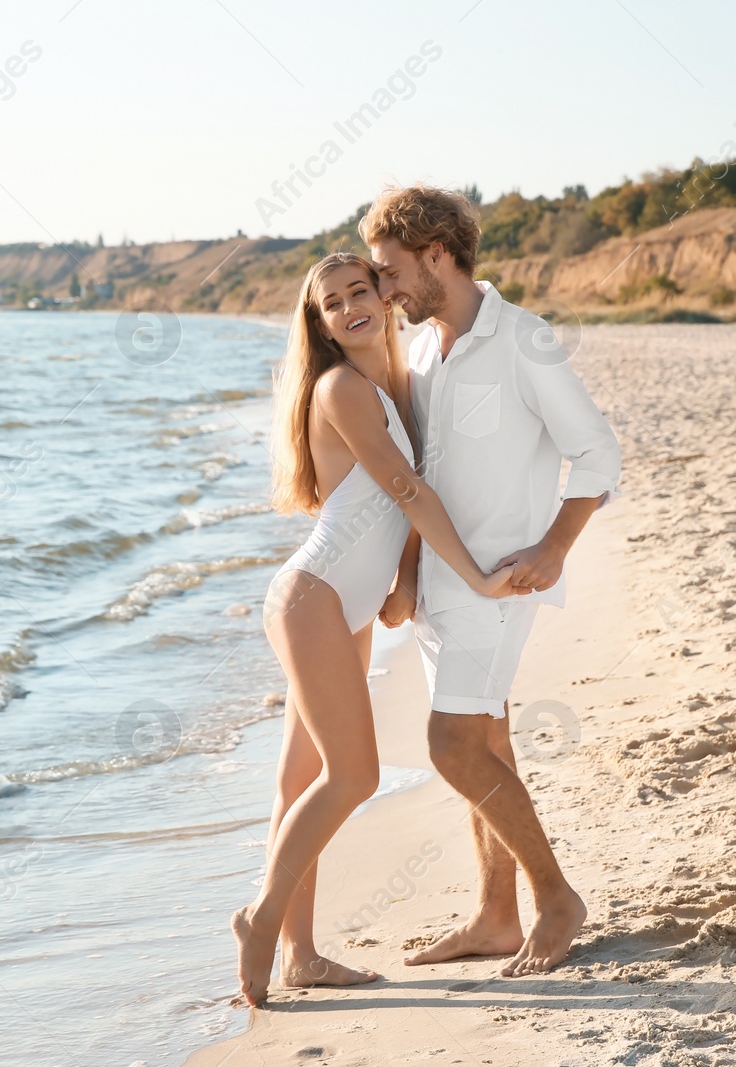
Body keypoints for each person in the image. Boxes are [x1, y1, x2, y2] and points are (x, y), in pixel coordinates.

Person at [232, 251, 517, 1007]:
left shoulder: (386, 387)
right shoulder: (341, 387)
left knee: (300, 779)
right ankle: (262, 921)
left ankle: (302, 956)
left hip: (340, 605)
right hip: (312, 598)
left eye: (361, 289)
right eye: (333, 302)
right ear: (319, 323)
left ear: (384, 299)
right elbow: (408, 489)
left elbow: (395, 508)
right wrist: (478, 575)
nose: (352, 305)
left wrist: (405, 580)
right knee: (352, 774)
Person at [363, 184, 622, 977]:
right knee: (488, 739)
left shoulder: (524, 339)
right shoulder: (418, 349)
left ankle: (556, 899)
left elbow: (600, 452)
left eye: (389, 270)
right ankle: (496, 914)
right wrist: (404, 580)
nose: (384, 290)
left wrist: (556, 546)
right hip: (443, 588)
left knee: (450, 743)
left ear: (436, 252)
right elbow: (418, 475)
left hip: (500, 585)